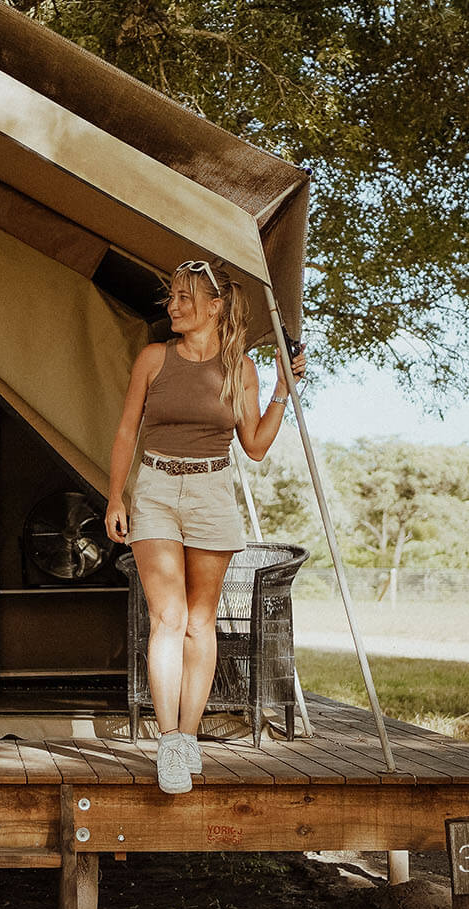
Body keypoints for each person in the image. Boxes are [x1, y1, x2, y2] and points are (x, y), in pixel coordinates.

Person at [105, 259, 306, 794]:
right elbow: (127, 430)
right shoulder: (153, 359)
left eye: (185, 298)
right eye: (171, 297)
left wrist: (283, 390)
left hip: (213, 493)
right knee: (166, 617)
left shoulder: (240, 368)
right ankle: (169, 740)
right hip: (155, 490)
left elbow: (256, 447)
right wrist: (114, 498)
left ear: (215, 308)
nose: (173, 306)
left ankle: (189, 736)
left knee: (199, 622)